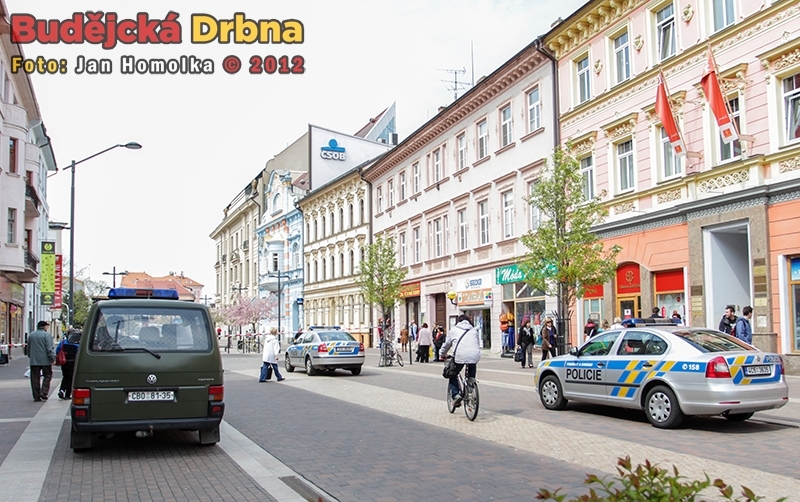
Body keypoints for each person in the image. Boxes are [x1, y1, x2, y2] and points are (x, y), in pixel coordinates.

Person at [439, 314, 481, 405]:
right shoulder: (474, 330)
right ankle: (471, 386)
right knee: (472, 365)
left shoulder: (453, 330)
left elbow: (446, 345)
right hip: (474, 355)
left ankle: (456, 395)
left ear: (458, 321)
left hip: (459, 356)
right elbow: (477, 343)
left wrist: (442, 354)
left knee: (452, 373)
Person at [28, 320, 55, 402]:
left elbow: (28, 348)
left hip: (34, 360)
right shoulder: (47, 335)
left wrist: (30, 356)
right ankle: (44, 392)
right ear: (44, 327)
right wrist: (53, 358)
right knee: (47, 375)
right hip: (45, 360)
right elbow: (49, 349)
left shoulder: (31, 335)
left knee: (35, 378)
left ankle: (36, 396)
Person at [56, 329, 82, 400]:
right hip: (73, 362)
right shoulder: (77, 344)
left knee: (65, 376)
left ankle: (62, 390)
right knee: (71, 378)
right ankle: (67, 394)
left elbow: (58, 350)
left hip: (64, 362)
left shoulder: (63, 342)